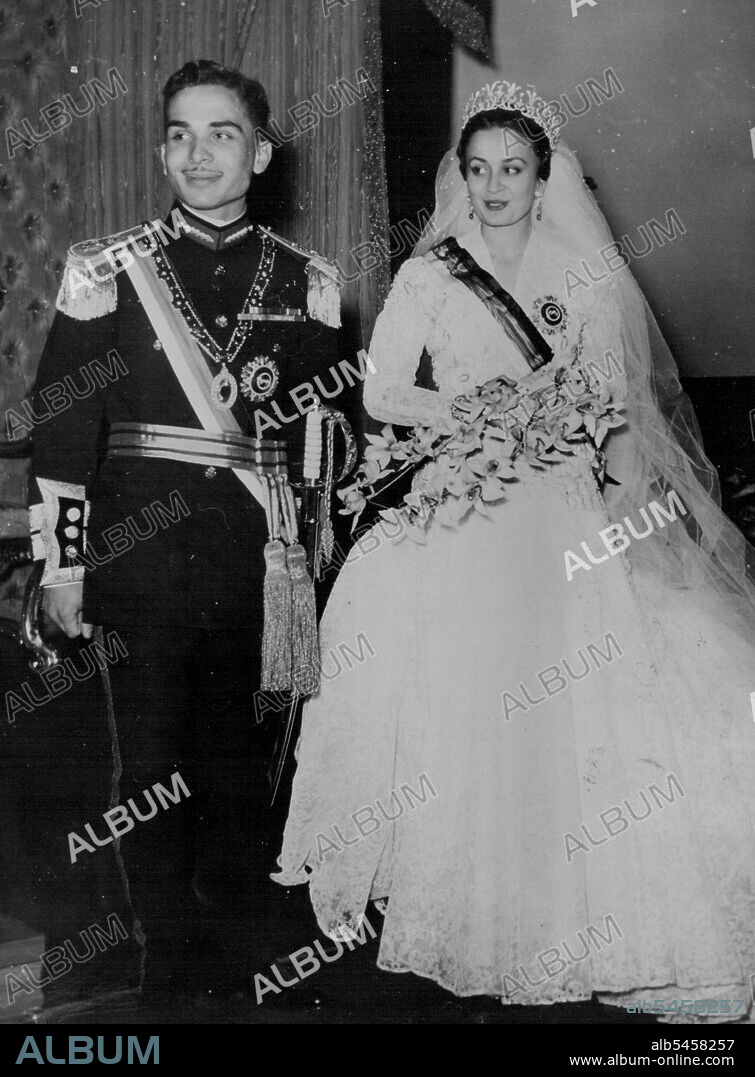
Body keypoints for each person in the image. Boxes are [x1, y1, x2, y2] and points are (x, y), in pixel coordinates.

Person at [275, 80, 755, 1021]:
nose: (494, 185)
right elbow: (380, 393)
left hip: (561, 511)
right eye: (478, 169)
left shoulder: (582, 274)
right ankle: (462, 894)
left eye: (514, 169)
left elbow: (611, 402)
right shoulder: (428, 276)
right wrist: (473, 412)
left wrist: (601, 477)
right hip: (466, 498)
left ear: (544, 181)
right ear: (461, 177)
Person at [29, 59, 346, 1003]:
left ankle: (239, 952)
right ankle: (167, 963)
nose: (196, 153)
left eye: (220, 134)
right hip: (140, 554)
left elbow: (322, 435)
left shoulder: (311, 281)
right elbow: (61, 424)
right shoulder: (105, 264)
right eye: (178, 133)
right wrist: (65, 564)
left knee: (241, 765)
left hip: (257, 560)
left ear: (261, 151)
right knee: (152, 768)